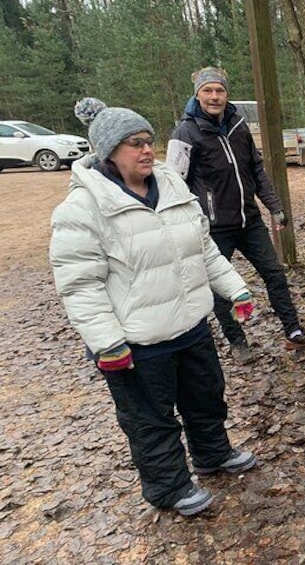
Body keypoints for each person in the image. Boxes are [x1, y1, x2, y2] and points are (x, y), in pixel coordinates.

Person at [50, 98, 258, 517]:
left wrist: (236, 290)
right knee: (151, 421)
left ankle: (213, 454)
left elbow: (203, 249)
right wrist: (108, 343)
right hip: (137, 344)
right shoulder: (83, 208)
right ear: (108, 151)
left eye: (148, 141)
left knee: (206, 398)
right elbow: (80, 287)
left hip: (190, 326)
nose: (146, 150)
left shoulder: (173, 185)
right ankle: (169, 487)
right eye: (133, 144)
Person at [167, 66, 305, 364]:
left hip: (249, 220)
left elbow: (255, 168)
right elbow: (174, 184)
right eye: (208, 91)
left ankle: (293, 333)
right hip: (213, 227)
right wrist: (189, 222)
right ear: (198, 94)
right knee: (219, 287)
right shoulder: (184, 133)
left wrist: (274, 207)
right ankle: (237, 341)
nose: (214, 96)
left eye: (220, 91)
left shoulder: (238, 124)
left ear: (227, 94)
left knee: (275, 274)